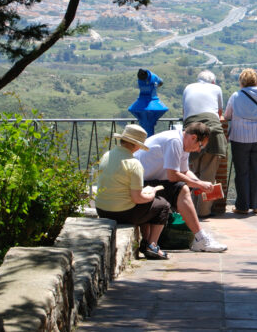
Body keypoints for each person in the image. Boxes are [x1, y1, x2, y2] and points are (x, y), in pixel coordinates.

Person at [134, 122, 228, 252]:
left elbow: (184, 171)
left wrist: (200, 183)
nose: (199, 150)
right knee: (182, 189)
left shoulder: (183, 144)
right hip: (140, 184)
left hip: (149, 181)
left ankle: (197, 239)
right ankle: (200, 239)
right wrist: (198, 184)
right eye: (200, 145)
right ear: (193, 137)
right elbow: (173, 176)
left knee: (185, 186)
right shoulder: (174, 142)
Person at [94, 124, 171, 260]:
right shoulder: (134, 164)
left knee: (149, 206)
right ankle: (152, 245)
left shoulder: (107, 155)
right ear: (136, 145)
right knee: (163, 205)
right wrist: (151, 194)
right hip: (122, 213)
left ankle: (145, 241)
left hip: (102, 210)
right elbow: (137, 199)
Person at [223, 68, 257, 214]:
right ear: (256, 81)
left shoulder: (236, 96)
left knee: (242, 172)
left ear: (242, 82)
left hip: (240, 138)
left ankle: (242, 206)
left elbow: (227, 115)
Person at [181, 70, 227, 217]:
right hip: (212, 132)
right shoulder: (216, 88)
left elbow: (184, 112)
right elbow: (219, 113)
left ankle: (191, 209)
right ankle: (203, 211)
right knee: (208, 174)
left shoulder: (188, 87)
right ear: (213, 82)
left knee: (192, 173)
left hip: (191, 132)